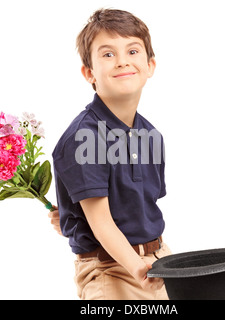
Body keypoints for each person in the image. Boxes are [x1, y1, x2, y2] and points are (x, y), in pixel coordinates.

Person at [48, 8, 171, 300]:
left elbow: (136, 207)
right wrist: (138, 269)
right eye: (107, 54)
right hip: (112, 270)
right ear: (89, 72)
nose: (122, 61)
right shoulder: (83, 138)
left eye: (132, 50)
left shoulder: (150, 135)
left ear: (150, 65)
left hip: (157, 260)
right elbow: (102, 224)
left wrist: (70, 216)